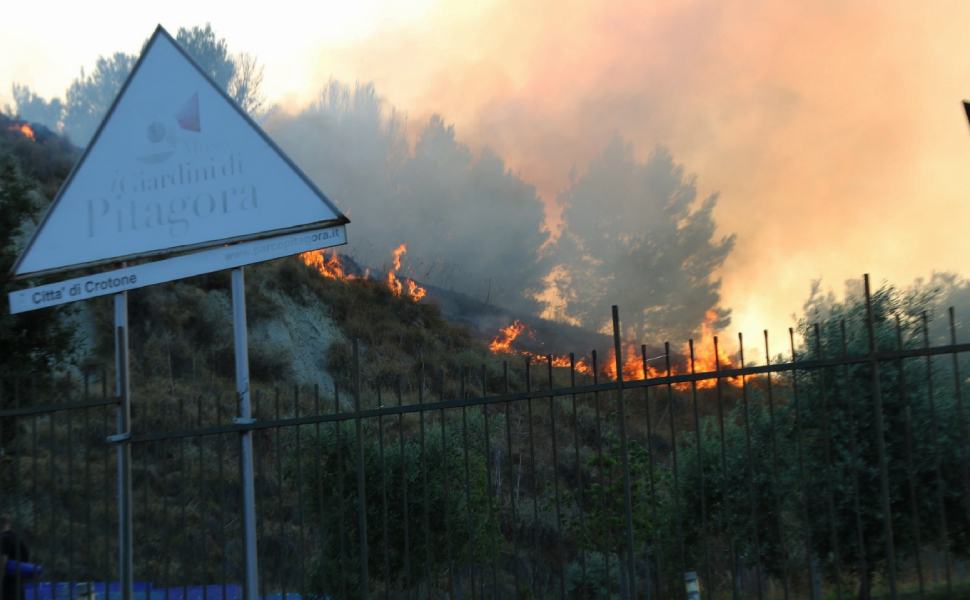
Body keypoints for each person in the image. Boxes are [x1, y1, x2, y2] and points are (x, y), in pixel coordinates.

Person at [0, 515, 30, 600]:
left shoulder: (3, 538)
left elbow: (3, 562)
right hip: (19, 583)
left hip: (7, 585)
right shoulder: (18, 538)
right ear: (9, 524)